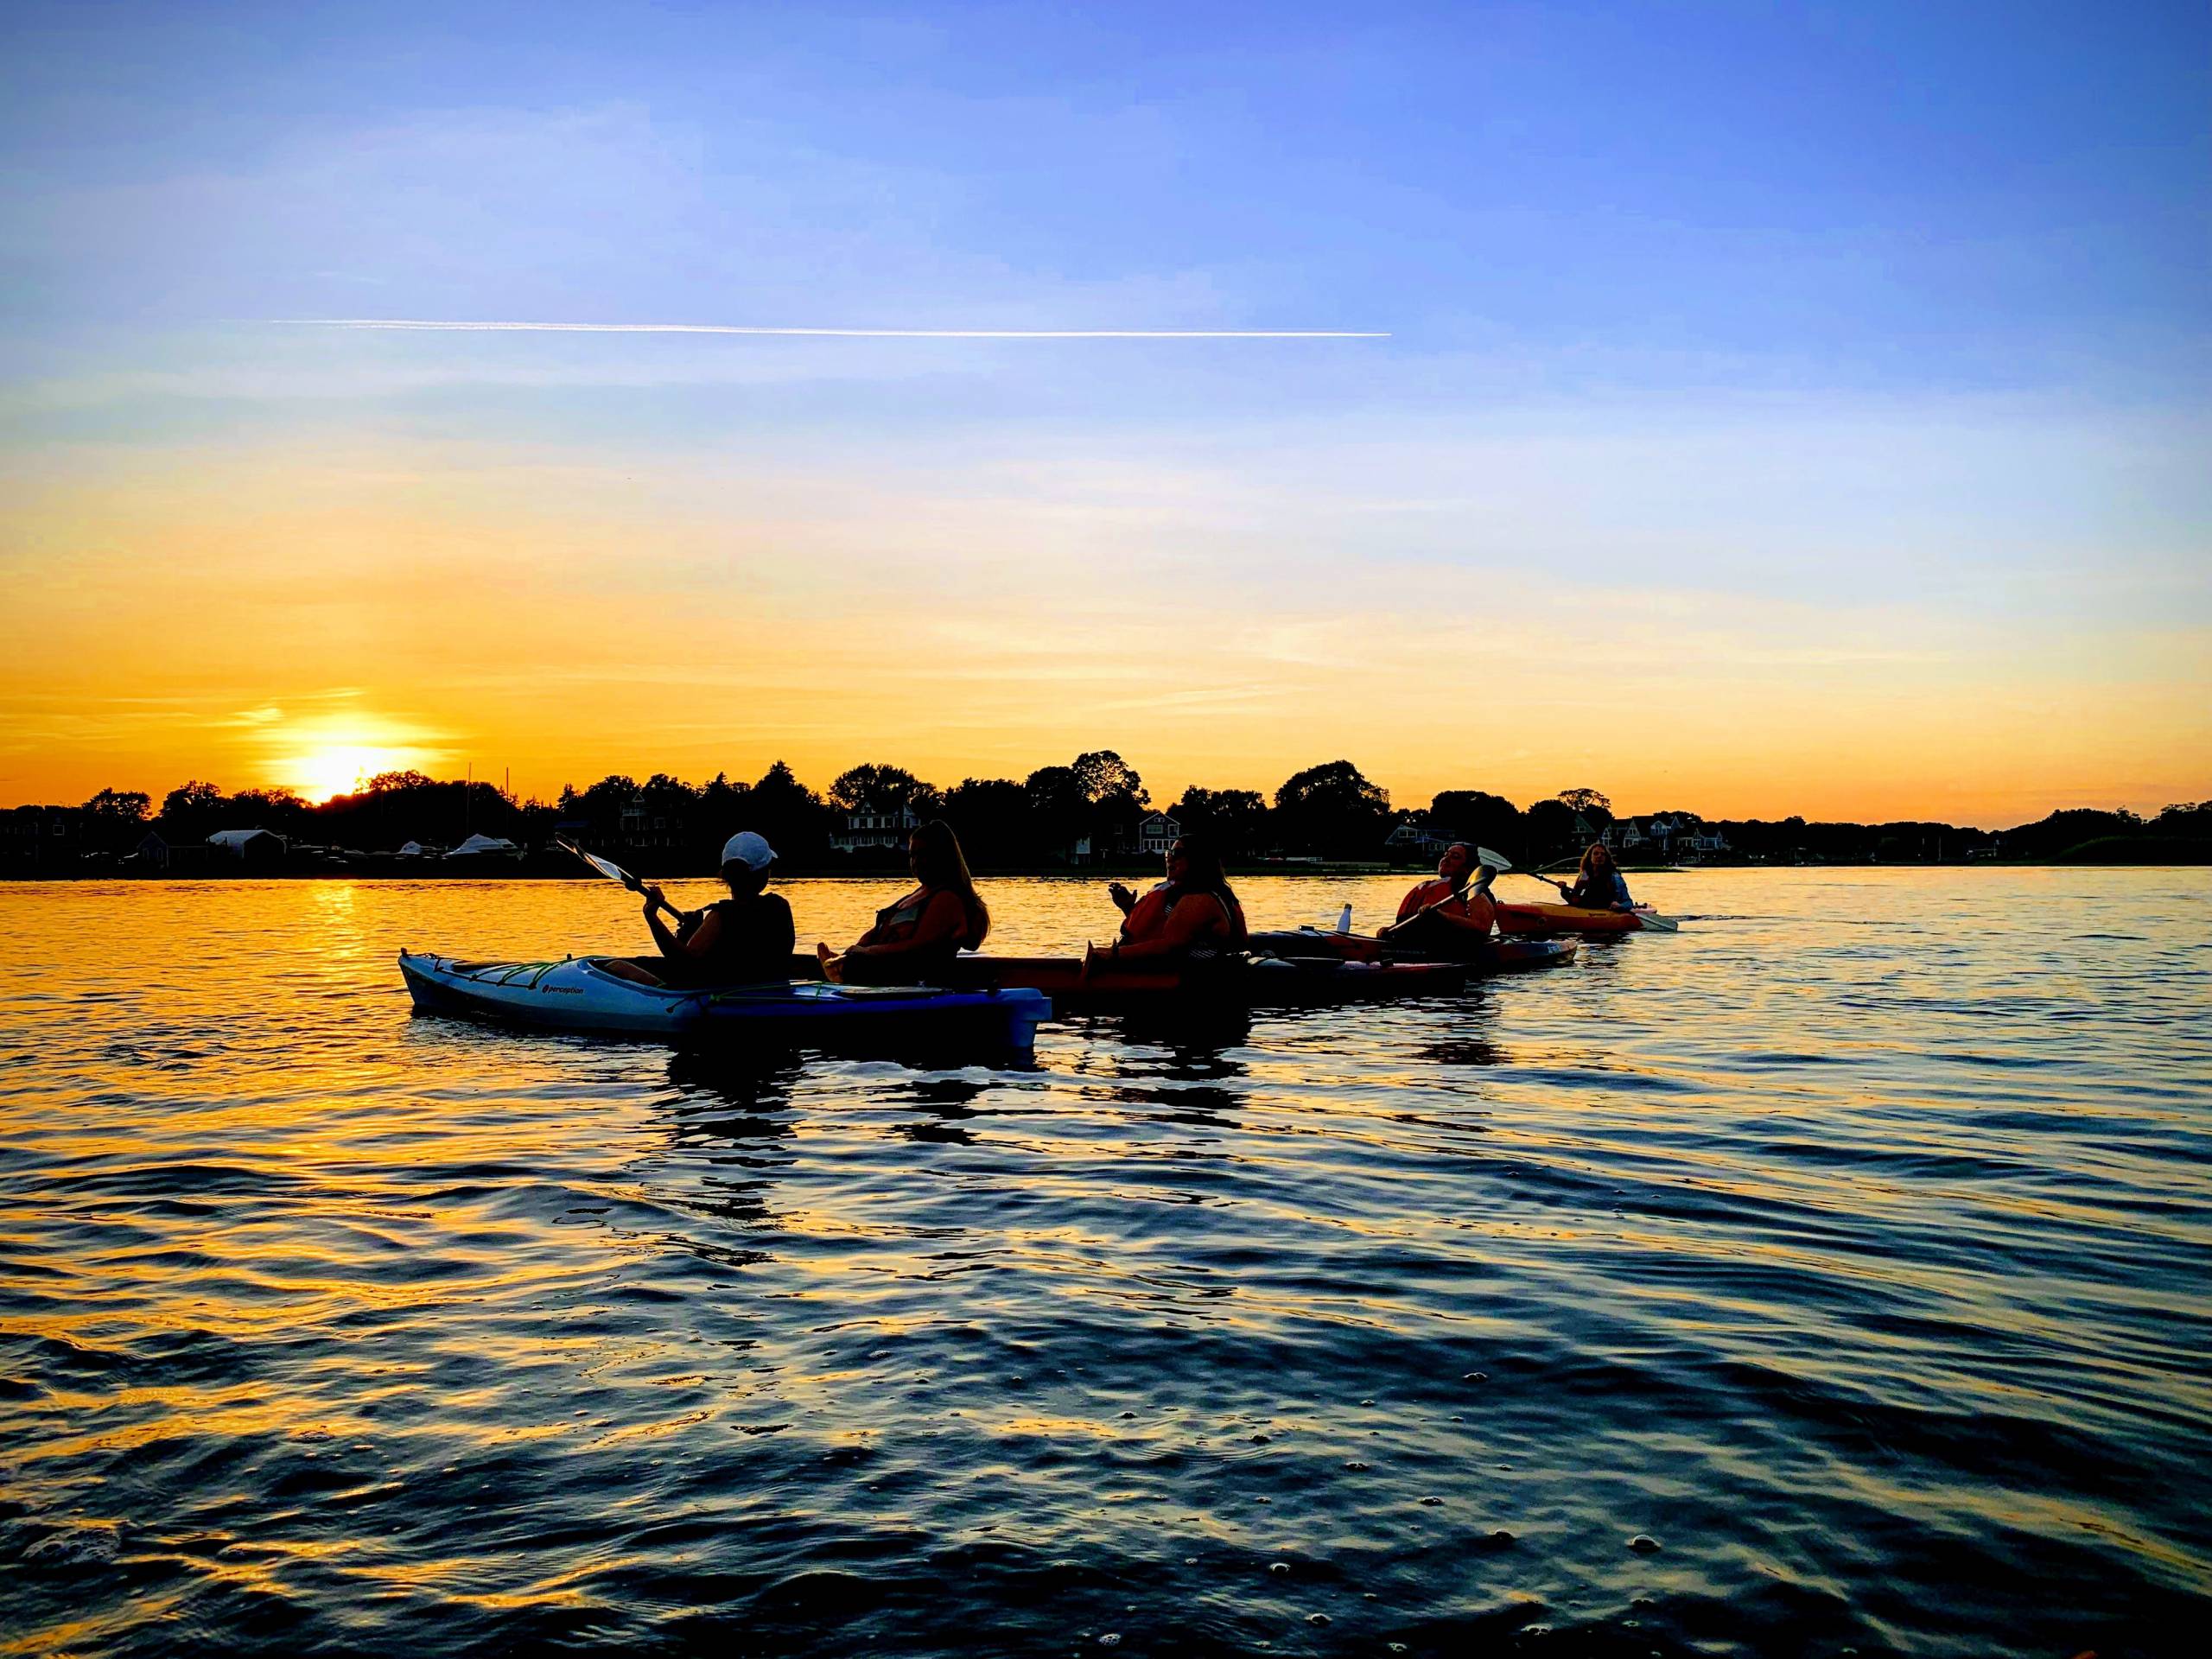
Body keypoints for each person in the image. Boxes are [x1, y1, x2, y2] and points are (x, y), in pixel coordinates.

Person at [603, 830, 795, 986]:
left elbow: (685, 963)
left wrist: (652, 916)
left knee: (616, 966)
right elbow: (743, 949)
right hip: (769, 989)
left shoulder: (721, 916)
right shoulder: (779, 907)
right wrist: (692, 934)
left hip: (718, 998)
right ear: (764, 874)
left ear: (726, 876)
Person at [820, 818, 990, 984]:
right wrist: (853, 951)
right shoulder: (917, 895)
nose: (915, 861)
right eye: (912, 855)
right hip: (885, 971)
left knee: (856, 964)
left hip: (915, 978)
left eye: (923, 854)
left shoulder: (947, 898)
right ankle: (839, 968)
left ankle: (842, 973)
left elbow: (918, 947)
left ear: (941, 856)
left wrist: (866, 952)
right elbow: (879, 930)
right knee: (844, 962)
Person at [1103, 832, 1248, 963]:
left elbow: (1169, 947)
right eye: (1169, 854)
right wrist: (1129, 908)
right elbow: (1160, 930)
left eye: (1177, 853)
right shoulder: (1179, 894)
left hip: (1195, 979)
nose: (1170, 859)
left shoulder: (1201, 899)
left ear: (1198, 859)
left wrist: (1113, 954)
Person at [1378, 842, 1496, 944]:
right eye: (1445, 855)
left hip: (1456, 951)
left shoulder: (1474, 892)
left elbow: (1482, 929)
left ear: (1467, 869)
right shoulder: (1435, 887)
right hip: (1420, 945)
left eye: (1455, 857)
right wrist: (1390, 930)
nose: (1446, 859)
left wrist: (1441, 916)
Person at [1552, 842, 1634, 911]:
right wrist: (1564, 889)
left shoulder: (1615, 877)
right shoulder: (1585, 875)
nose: (1599, 856)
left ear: (1606, 858)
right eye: (1596, 853)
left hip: (1606, 911)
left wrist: (1620, 906)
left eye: (1603, 854)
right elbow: (1575, 899)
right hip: (1587, 910)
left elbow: (1628, 902)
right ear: (1590, 857)